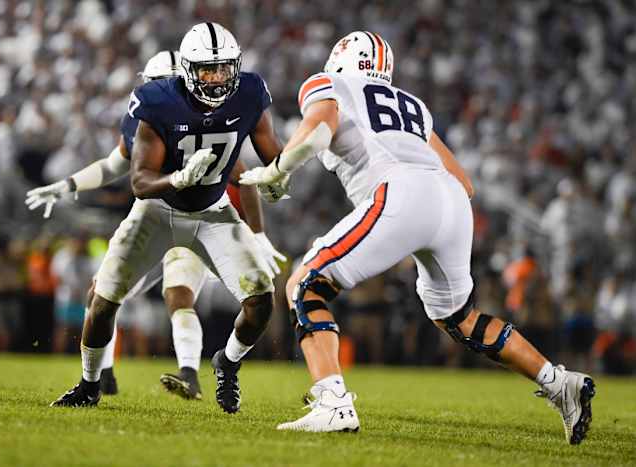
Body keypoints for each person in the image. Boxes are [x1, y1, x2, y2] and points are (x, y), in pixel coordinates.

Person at [240, 31, 596, 444]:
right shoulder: (412, 106)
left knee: (304, 285)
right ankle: (558, 382)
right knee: (459, 317)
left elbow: (320, 127)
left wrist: (278, 168)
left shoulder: (329, 84)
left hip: (400, 191)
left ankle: (332, 402)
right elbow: (464, 183)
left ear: (340, 58)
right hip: (450, 201)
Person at [48, 23, 284, 413]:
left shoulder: (249, 92)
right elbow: (139, 182)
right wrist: (177, 177)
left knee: (261, 301)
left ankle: (227, 362)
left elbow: (269, 154)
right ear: (188, 70)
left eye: (225, 68)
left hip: (213, 213)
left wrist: (278, 176)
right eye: (209, 70)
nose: (218, 78)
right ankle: (90, 384)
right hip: (157, 211)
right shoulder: (156, 101)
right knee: (103, 300)